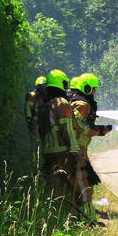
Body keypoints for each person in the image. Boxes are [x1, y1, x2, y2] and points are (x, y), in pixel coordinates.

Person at [69, 73, 112, 221]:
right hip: (77, 149)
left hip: (80, 148)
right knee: (85, 181)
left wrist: (99, 130)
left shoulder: (83, 104)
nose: (95, 92)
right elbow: (77, 126)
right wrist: (99, 131)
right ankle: (88, 217)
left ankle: (83, 213)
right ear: (86, 88)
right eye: (93, 89)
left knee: (83, 181)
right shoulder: (82, 105)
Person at [41, 69, 81, 210]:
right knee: (70, 187)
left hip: (47, 152)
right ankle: (72, 216)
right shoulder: (62, 103)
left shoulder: (44, 104)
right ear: (62, 84)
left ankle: (55, 213)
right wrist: (75, 151)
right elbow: (67, 130)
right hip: (62, 152)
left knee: (53, 187)